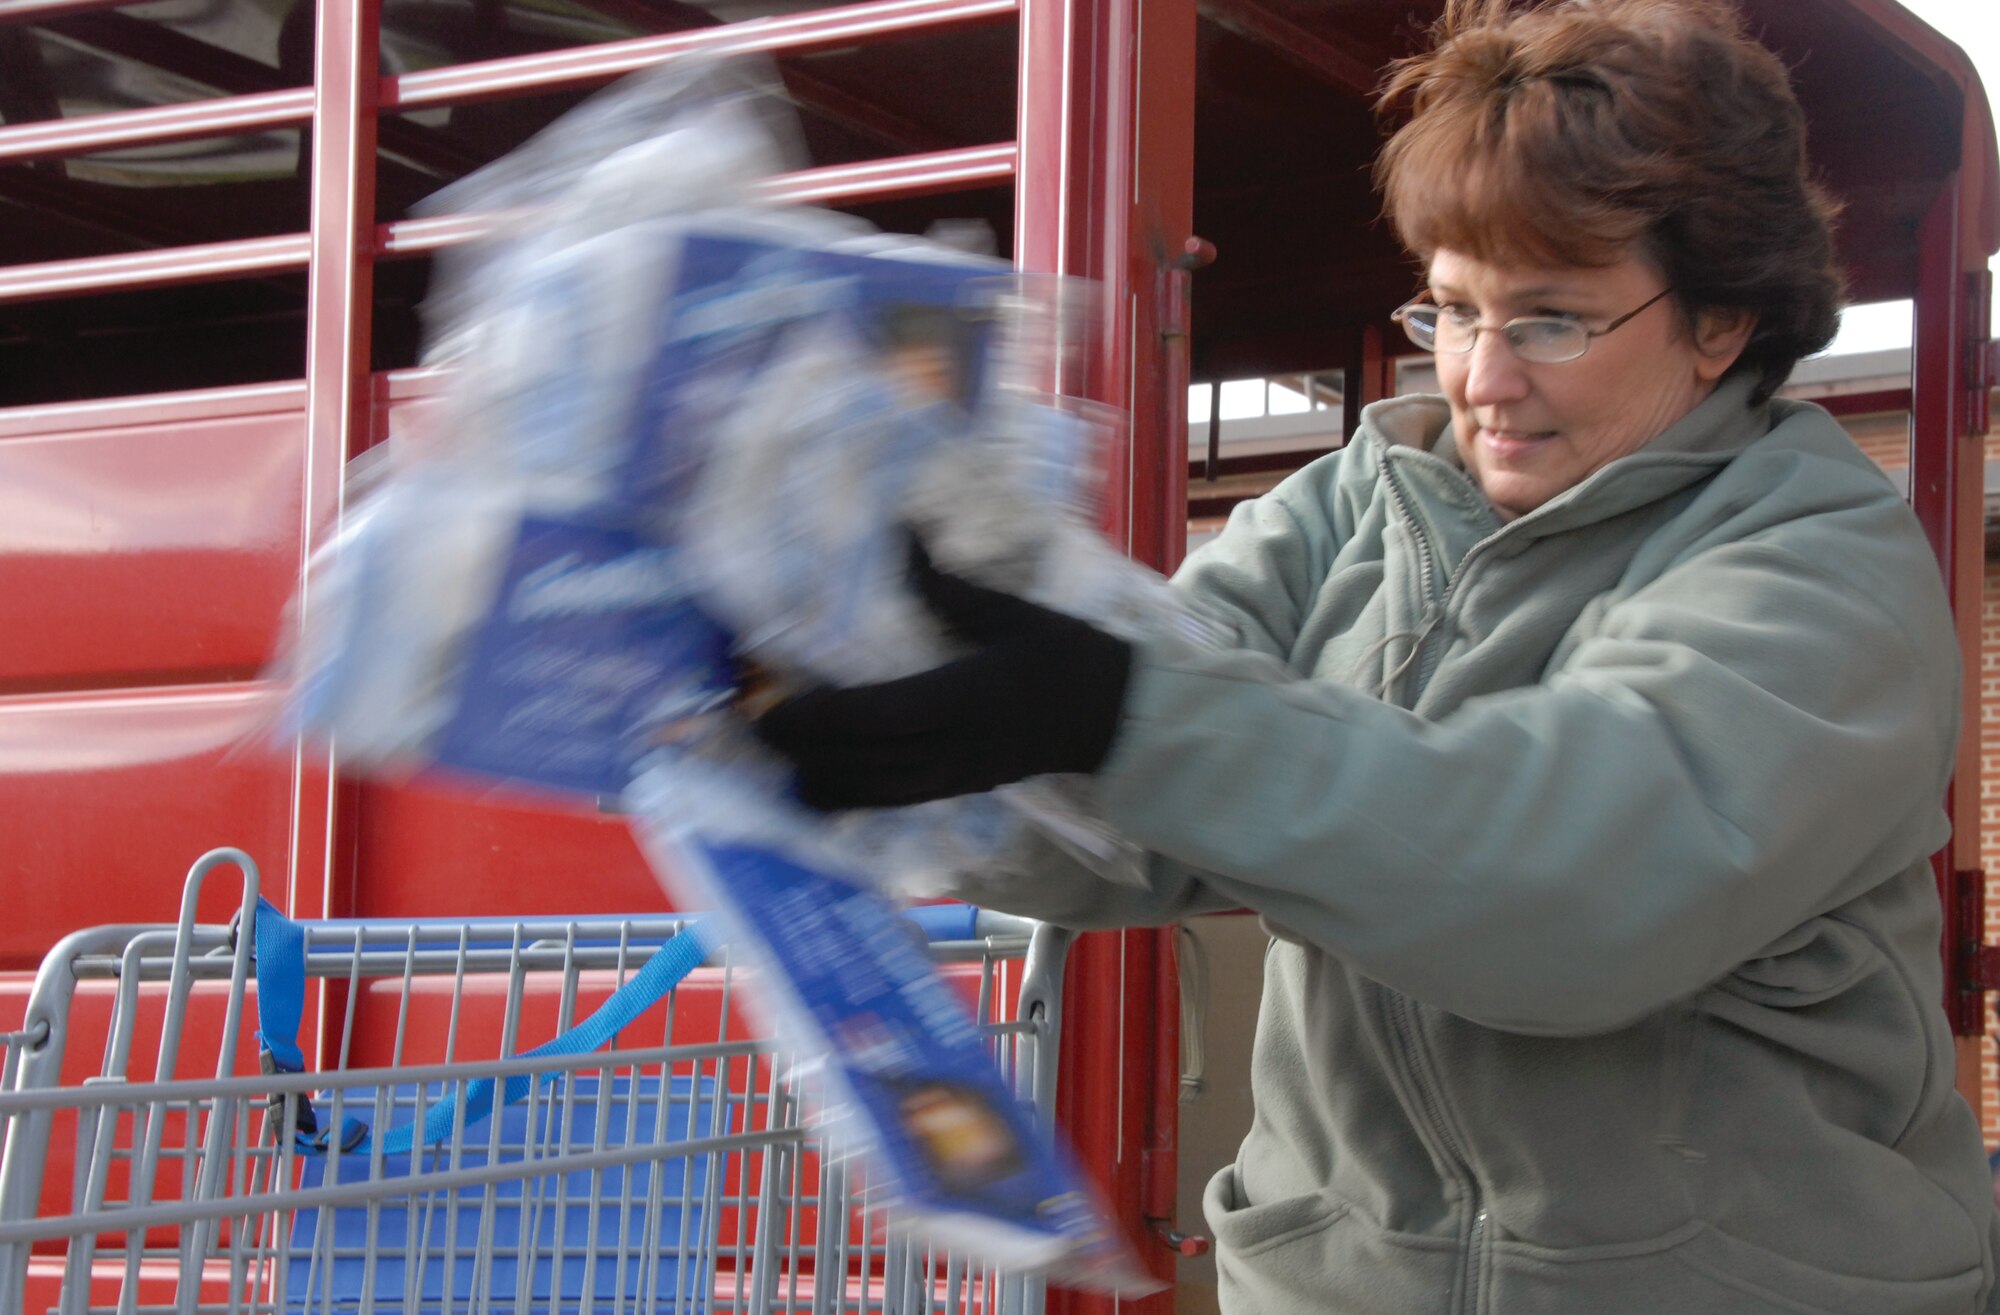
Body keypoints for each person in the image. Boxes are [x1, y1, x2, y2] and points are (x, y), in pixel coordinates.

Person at [753, 0, 2000, 1309]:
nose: (1481, 380)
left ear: (1721, 322)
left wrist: (1119, 711)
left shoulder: (1818, 562)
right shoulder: (1349, 509)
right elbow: (1131, 809)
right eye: (1451, 310)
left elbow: (1575, 892)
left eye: (1550, 321)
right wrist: (894, 718)